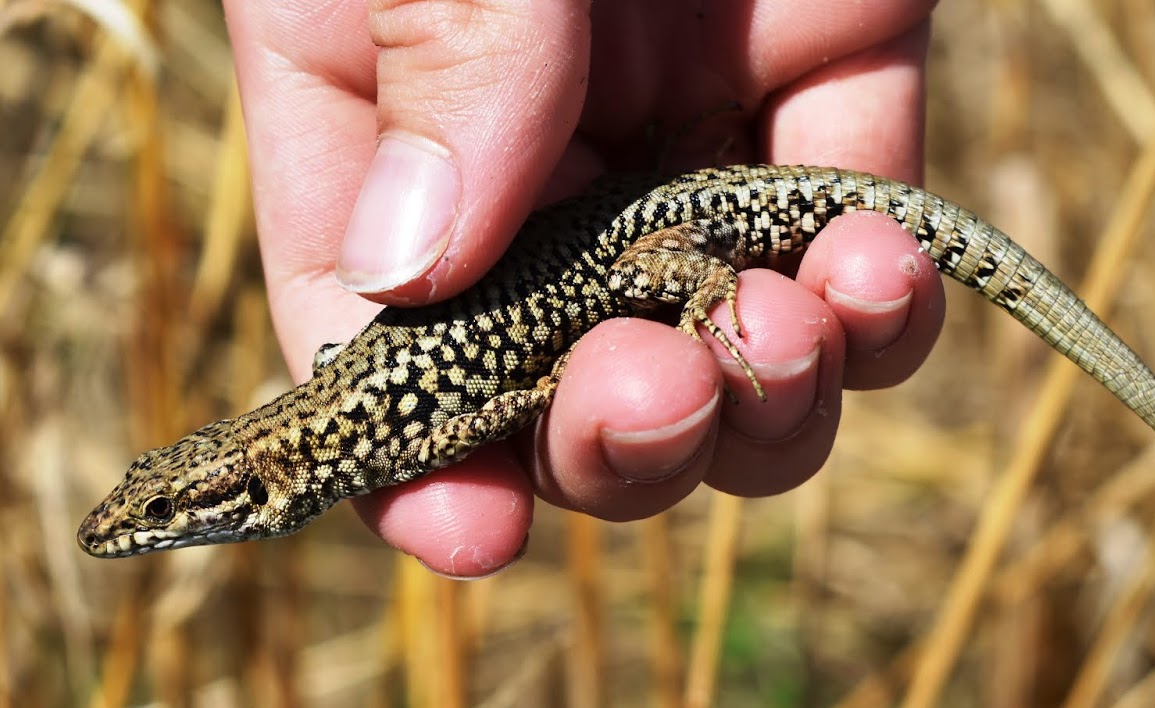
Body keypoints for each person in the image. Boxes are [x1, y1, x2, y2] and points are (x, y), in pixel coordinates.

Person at [226, 1, 947, 576]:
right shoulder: (348, 419)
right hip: (623, 213)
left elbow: (506, 407)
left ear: (254, 489)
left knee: (641, 288)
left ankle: (706, 274)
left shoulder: (388, 452)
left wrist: (553, 381)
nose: (143, 528)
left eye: (165, 510)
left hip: (635, 239)